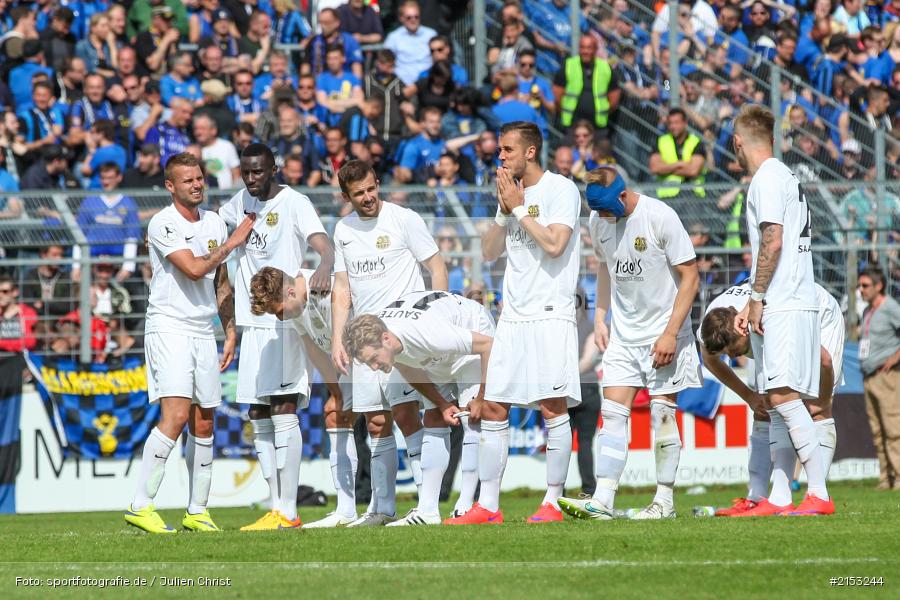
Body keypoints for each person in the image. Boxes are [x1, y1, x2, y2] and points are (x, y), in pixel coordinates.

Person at [448, 121, 581, 525]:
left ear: (529, 152)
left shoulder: (561, 189)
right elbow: (489, 253)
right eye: (499, 150)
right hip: (513, 316)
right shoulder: (510, 195)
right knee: (491, 406)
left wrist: (519, 208)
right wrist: (505, 213)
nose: (500, 156)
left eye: (507, 149)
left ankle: (553, 502)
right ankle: (488, 506)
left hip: (550, 314)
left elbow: (556, 245)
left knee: (551, 406)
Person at [557, 166, 701, 521]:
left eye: (607, 209)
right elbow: (605, 268)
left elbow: (691, 277)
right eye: (597, 211)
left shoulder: (659, 216)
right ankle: (603, 500)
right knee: (613, 412)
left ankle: (664, 501)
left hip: (663, 334)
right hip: (623, 334)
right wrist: (602, 316)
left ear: (622, 195)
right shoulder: (598, 220)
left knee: (662, 414)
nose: (603, 217)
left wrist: (670, 333)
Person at [123, 152, 255, 534]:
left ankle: (197, 511)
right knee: (177, 416)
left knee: (204, 420)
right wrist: (232, 242)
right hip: (169, 327)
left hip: (202, 330)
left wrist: (229, 330)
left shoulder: (212, 221)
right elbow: (196, 267)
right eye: (187, 180)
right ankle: (140, 504)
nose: (196, 185)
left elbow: (219, 281)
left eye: (199, 178)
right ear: (170, 186)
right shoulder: (163, 224)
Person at [218, 143, 334, 530]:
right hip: (253, 322)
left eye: (258, 172)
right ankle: (275, 506)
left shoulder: (295, 202)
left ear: (274, 169)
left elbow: (321, 242)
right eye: (246, 173)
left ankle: (289, 510)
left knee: (284, 408)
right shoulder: (238, 203)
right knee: (257, 411)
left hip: (284, 318)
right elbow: (215, 234)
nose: (252, 179)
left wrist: (324, 264)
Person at [330, 159, 448, 527]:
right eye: (358, 193)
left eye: (370, 189)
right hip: (364, 341)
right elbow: (342, 287)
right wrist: (338, 335)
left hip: (401, 336)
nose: (367, 198)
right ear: (346, 196)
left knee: (407, 415)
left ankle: (425, 508)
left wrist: (436, 314)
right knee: (376, 422)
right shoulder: (343, 229)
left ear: (377, 183)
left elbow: (437, 266)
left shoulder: (404, 218)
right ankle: (383, 509)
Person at [731, 104, 833, 516]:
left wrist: (756, 296)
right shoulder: (785, 175)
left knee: (783, 395)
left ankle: (820, 493)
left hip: (784, 301)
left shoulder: (767, 179)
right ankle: (777, 496)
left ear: (739, 142)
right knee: (778, 399)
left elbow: (772, 240)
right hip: (793, 298)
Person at [344, 290, 495, 525]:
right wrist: (443, 403)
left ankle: (465, 506)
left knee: (471, 415)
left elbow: (487, 345)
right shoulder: (392, 344)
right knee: (434, 418)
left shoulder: (429, 334)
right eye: (367, 363)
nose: (374, 367)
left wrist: (483, 396)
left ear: (386, 338)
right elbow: (408, 366)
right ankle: (427, 511)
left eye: (374, 358)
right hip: (437, 347)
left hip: (472, 330)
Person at [700, 281, 843, 516]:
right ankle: (757, 498)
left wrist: (824, 401)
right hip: (774, 314)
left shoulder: (770, 322)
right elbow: (710, 359)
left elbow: (824, 360)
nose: (733, 357)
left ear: (742, 327)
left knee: (816, 410)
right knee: (765, 408)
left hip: (819, 314)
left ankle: (818, 495)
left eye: (735, 352)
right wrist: (749, 396)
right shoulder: (711, 325)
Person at [249, 267, 359, 528]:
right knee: (335, 415)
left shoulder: (324, 288)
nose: (279, 318)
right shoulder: (295, 309)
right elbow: (314, 350)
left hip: (374, 353)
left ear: (290, 291)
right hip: (350, 365)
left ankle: (404, 507)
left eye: (279, 311)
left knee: (393, 418)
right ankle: (346, 511)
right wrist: (337, 392)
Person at [857, 267, 900, 490]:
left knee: (894, 428)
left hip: (888, 376)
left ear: (879, 286)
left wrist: (894, 358)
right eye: (859, 286)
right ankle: (887, 478)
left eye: (865, 285)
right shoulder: (867, 311)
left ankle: (899, 476)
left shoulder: (891, 307)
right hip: (870, 376)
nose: (860, 290)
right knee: (877, 430)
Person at [552, 35, 620, 136]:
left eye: (589, 48)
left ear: (595, 49)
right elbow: (557, 95)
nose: (585, 51)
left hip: (598, 127)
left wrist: (604, 110)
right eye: (582, 47)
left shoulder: (605, 68)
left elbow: (614, 100)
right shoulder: (568, 65)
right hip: (571, 126)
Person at [649, 108, 707, 199]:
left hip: (693, 195)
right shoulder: (661, 141)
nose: (673, 126)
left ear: (685, 123)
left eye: (676, 123)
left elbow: (693, 171)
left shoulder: (696, 142)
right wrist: (680, 164)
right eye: (670, 123)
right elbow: (654, 168)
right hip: (667, 195)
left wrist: (666, 169)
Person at [383, 1, 437, 85]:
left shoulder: (431, 34)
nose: (413, 20)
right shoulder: (393, 37)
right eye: (409, 17)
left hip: (427, 84)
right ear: (401, 18)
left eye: (416, 17)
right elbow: (385, 60)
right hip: (402, 85)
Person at [193, 113, 240, 189]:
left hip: (228, 199)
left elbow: (236, 175)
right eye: (196, 129)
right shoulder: (193, 150)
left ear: (213, 130)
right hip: (204, 199)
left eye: (202, 128)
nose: (198, 132)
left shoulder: (227, 146)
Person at [0, 274, 38, 353]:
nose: (0, 295)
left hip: (19, 359)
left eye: (5, 292)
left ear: (15, 292)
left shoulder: (27, 312)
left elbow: (29, 342)